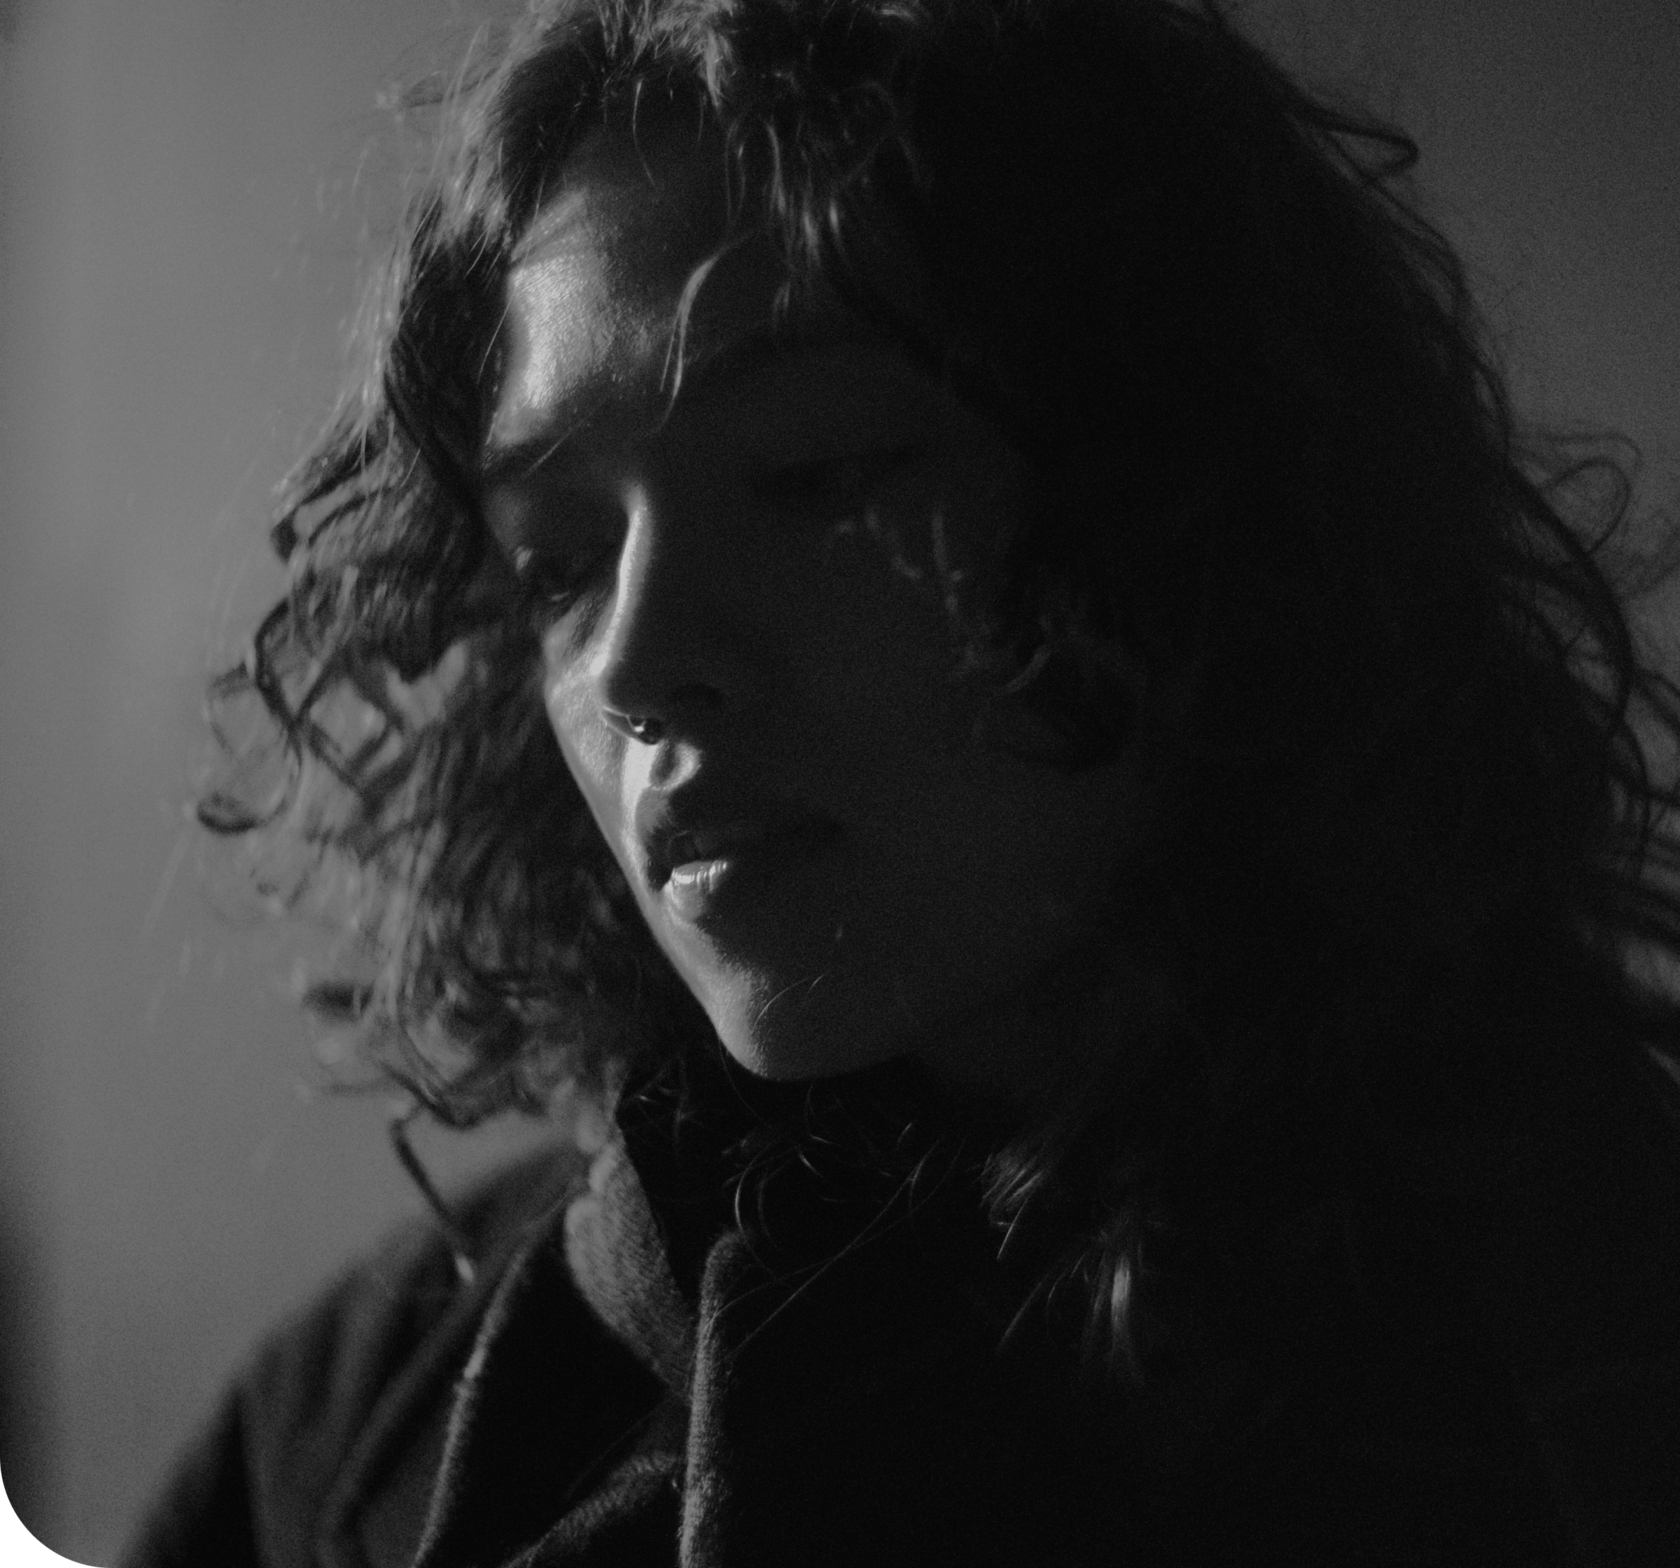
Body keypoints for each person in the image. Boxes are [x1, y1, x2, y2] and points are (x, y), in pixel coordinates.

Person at [124, 0, 1680, 1563]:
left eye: (816, 476)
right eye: (560, 562)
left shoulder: (1590, 1353)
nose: (638, 662)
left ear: (1192, 494)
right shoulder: (369, 1417)